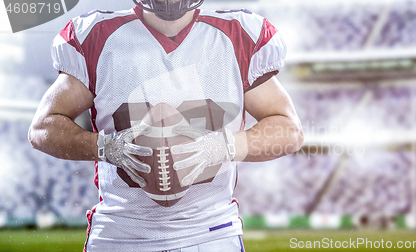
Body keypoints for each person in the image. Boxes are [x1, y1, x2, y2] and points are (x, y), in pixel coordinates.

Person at [28, 0, 304, 251]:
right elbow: (43, 128)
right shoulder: (96, 36)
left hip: (210, 233)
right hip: (120, 233)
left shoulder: (238, 33)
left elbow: (289, 129)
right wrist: (104, 146)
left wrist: (227, 145)